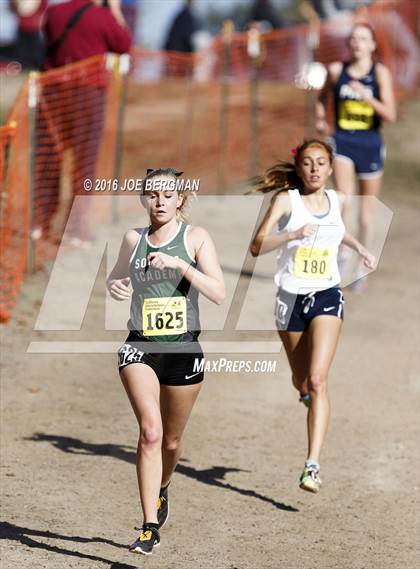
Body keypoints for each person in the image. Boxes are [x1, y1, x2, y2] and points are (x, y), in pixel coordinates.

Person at [107, 168, 225, 555]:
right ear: (144, 200)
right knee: (151, 432)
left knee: (172, 441)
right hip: (139, 345)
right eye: (152, 195)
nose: (159, 201)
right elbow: (115, 278)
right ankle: (148, 526)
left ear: (180, 200)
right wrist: (118, 284)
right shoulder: (133, 238)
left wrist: (180, 266)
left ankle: (162, 488)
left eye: (167, 195)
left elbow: (219, 294)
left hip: (184, 348)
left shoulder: (195, 238)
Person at [249, 139, 375, 493]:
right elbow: (256, 245)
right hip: (289, 299)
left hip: (326, 295)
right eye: (308, 162)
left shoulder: (337, 200)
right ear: (299, 168)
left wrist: (360, 248)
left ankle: (312, 465)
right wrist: (291, 233)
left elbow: (336, 229)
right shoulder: (285, 202)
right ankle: (304, 393)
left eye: (321, 162)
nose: (315, 168)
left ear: (331, 168)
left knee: (319, 380)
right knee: (301, 381)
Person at [34, 0, 131, 245]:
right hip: (88, 95)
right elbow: (123, 44)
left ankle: (39, 223)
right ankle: (75, 229)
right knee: (84, 164)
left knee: (48, 159)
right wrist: (116, 10)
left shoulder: (54, 13)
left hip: (53, 92)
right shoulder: (102, 17)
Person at [315, 23, 396, 288]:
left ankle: (363, 263)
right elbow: (322, 97)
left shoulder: (379, 73)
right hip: (343, 140)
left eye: (363, 38)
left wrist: (365, 96)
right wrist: (320, 118)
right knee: (343, 200)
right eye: (353, 38)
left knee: (365, 215)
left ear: (372, 45)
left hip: (371, 143)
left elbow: (390, 115)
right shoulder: (337, 70)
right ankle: (342, 254)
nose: (357, 42)